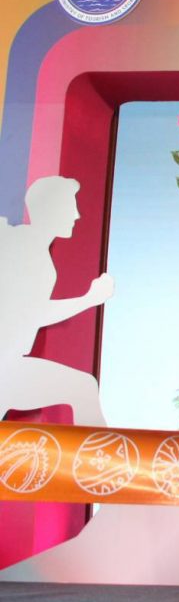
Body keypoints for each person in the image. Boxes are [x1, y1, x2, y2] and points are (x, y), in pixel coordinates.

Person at [0, 176, 112, 426]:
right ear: (50, 208)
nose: (76, 215)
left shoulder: (36, 253)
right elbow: (34, 313)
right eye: (71, 206)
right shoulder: (24, 247)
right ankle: (100, 452)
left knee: (83, 387)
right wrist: (89, 299)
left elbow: (32, 312)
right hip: (4, 365)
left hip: (9, 364)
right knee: (83, 387)